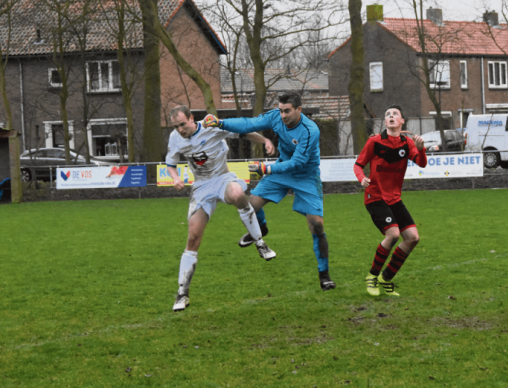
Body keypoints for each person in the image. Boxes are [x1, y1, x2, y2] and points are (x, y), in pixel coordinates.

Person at [202, 92, 336, 291]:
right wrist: (220, 123)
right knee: (250, 207)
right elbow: (248, 124)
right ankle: (261, 228)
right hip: (281, 169)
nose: (283, 115)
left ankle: (324, 275)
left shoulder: (310, 130)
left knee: (317, 225)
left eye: (287, 111)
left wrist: (267, 169)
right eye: (281, 111)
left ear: (299, 110)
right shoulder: (275, 117)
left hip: (306, 176)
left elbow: (298, 162)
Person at [166, 105, 276, 312]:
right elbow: (170, 163)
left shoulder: (211, 127)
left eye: (182, 124)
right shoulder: (174, 138)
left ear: (191, 118)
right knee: (192, 238)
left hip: (222, 178)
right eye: (176, 126)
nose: (180, 129)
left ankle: (260, 243)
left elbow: (243, 132)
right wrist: (175, 179)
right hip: (201, 186)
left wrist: (265, 140)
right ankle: (182, 293)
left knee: (237, 194)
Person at [353, 106, 427, 296]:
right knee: (393, 234)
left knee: (413, 238)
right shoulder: (375, 142)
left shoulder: (407, 143)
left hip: (394, 199)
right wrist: (361, 178)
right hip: (375, 197)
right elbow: (358, 164)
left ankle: (385, 278)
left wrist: (421, 149)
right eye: (387, 115)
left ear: (402, 121)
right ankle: (372, 276)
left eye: (395, 114)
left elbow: (421, 163)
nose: (391, 116)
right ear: (385, 122)